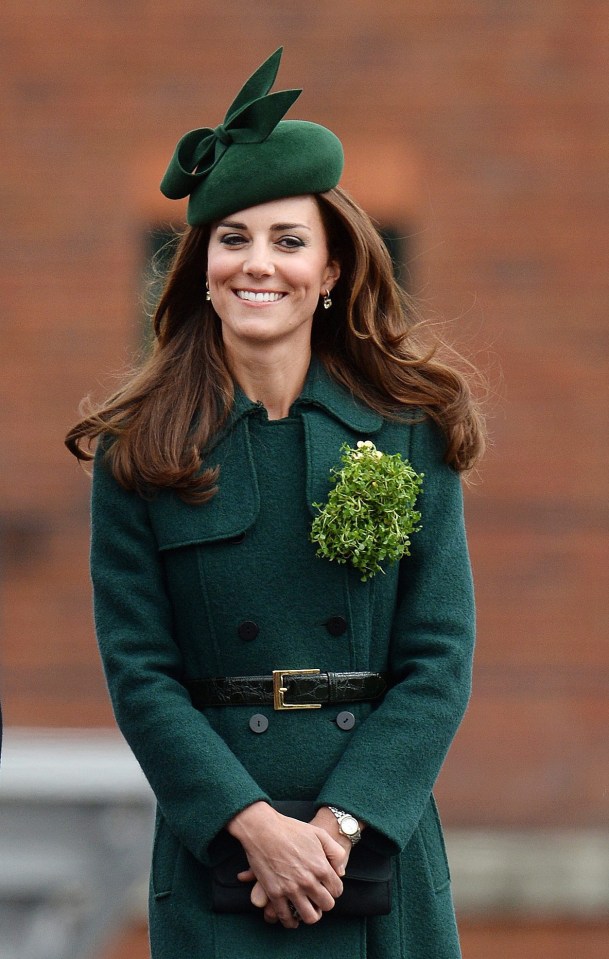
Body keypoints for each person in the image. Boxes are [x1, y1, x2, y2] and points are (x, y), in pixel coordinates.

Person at [66, 48, 484, 959]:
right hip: (223, 853)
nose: (260, 265)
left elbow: (439, 655)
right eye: (233, 238)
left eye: (289, 241)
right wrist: (251, 824)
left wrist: (337, 829)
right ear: (203, 266)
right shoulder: (138, 449)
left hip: (377, 846)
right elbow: (139, 671)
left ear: (331, 272)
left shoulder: (409, 429)